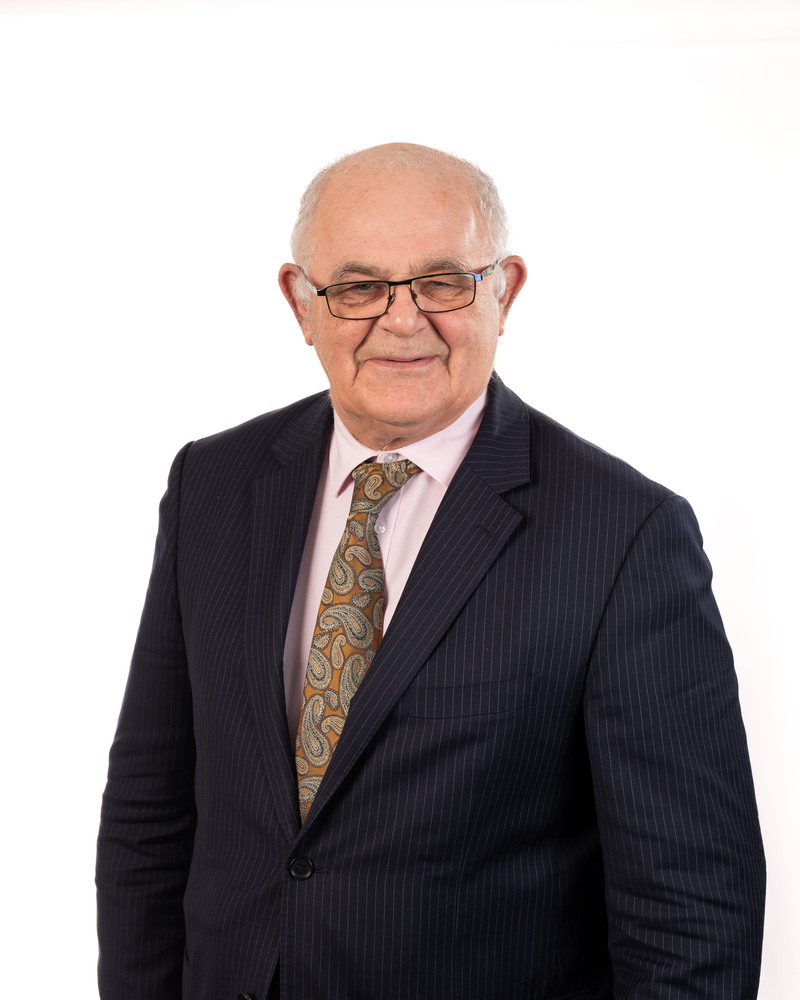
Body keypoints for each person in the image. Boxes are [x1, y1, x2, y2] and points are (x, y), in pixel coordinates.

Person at [96, 142, 766, 1000]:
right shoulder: (213, 485)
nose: (403, 320)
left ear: (505, 291)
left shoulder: (626, 536)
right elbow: (149, 814)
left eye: (443, 282)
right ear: (301, 304)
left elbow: (692, 912)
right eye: (358, 288)